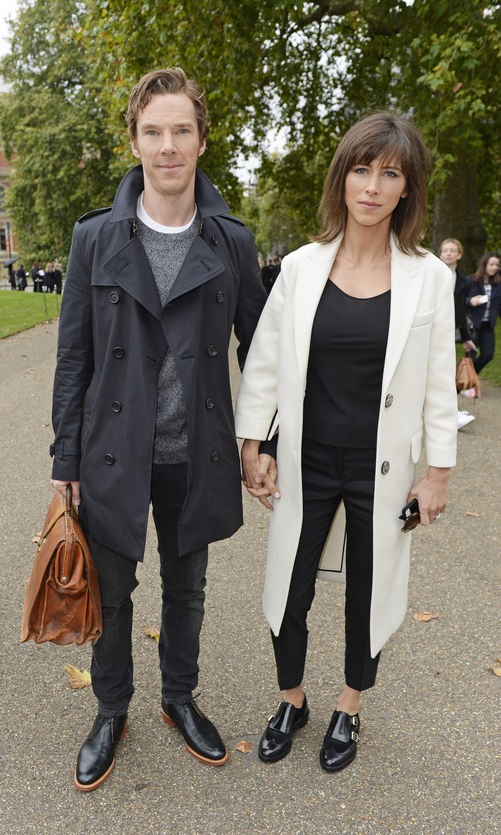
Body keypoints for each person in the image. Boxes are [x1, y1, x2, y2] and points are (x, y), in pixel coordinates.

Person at [49, 67, 266, 791]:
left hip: (193, 452)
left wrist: (258, 439)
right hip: (114, 452)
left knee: (188, 588)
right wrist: (65, 458)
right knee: (110, 594)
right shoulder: (94, 238)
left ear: (202, 139)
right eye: (153, 131)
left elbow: (258, 351)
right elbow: (74, 356)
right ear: (135, 140)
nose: (167, 146)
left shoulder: (232, 241)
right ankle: (112, 708)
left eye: (181, 130)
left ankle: (179, 696)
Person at [235, 111, 457, 773]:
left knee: (371, 591)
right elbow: (266, 365)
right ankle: (292, 700)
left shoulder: (431, 279)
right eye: (362, 168)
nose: (372, 185)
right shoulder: (301, 268)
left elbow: (439, 387)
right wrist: (255, 445)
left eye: (389, 173)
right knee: (288, 591)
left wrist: (437, 473)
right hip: (307, 461)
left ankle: (349, 706)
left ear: (406, 189)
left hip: (381, 470)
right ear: (343, 177)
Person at [438, 238, 476, 429]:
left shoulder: (461, 280)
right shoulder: (432, 272)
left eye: (453, 250)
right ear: (440, 253)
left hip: (448, 330)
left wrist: (466, 338)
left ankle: (452, 413)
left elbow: (460, 311)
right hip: (429, 327)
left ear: (459, 255)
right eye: (445, 250)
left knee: (445, 371)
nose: (449, 253)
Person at [465, 252, 501, 374]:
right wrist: (471, 301)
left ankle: (469, 377)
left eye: (497, 265)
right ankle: (467, 384)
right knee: (471, 356)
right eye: (492, 264)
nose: (495, 267)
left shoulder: (498, 284)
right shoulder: (470, 280)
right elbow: (458, 302)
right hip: (472, 325)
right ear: (484, 265)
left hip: (488, 326)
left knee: (488, 355)